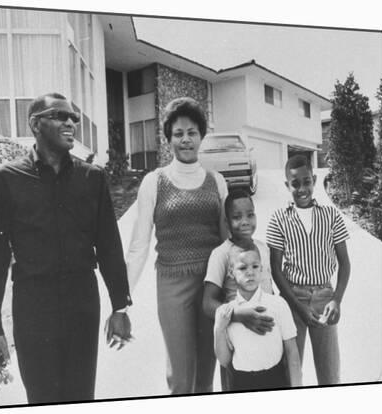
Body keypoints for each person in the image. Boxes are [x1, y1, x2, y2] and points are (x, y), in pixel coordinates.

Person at [0, 92, 133, 404]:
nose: (71, 122)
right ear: (36, 124)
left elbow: (110, 247)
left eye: (73, 117)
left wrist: (120, 306)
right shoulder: (6, 180)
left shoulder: (92, 178)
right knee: (43, 400)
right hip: (34, 310)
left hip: (82, 306)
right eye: (60, 116)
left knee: (80, 398)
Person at [126, 97, 228, 394]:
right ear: (168, 137)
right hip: (172, 286)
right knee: (181, 379)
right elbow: (139, 245)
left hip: (211, 284)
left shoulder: (216, 181)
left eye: (192, 132)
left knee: (207, 375)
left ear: (201, 136)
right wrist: (123, 299)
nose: (186, 140)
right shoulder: (154, 181)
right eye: (179, 133)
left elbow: (227, 242)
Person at [267, 154, 351, 385]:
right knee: (292, 372)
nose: (302, 188)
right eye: (295, 184)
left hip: (325, 297)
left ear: (314, 179)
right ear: (287, 185)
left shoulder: (331, 215)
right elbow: (276, 268)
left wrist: (336, 300)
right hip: (294, 300)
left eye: (306, 181)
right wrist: (298, 307)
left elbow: (345, 263)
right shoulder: (279, 219)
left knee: (330, 373)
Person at [202, 189, 275, 390]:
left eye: (250, 215)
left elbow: (271, 291)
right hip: (236, 338)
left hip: (266, 334)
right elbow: (207, 304)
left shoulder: (264, 249)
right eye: (237, 217)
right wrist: (238, 314)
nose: (245, 221)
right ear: (226, 222)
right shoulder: (221, 254)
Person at [213, 244, 302, 391]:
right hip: (241, 383)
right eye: (242, 268)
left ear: (262, 269)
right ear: (231, 272)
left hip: (276, 379)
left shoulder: (278, 304)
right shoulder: (226, 312)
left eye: (255, 266)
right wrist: (219, 329)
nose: (250, 272)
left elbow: (292, 353)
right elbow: (224, 360)